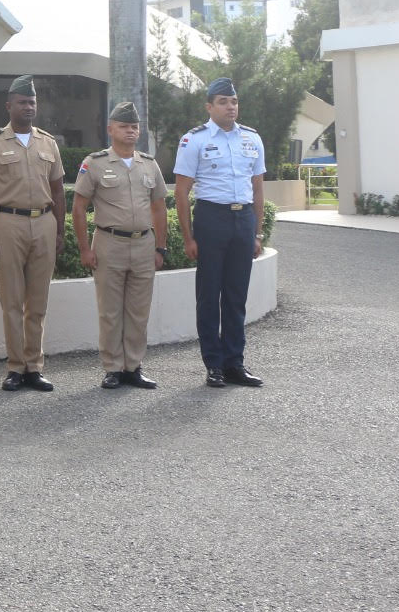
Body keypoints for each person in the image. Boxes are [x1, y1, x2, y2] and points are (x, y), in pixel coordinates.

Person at [0, 73, 66, 393]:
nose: (29, 107)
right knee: (12, 300)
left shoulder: (47, 142)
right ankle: (15, 366)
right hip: (9, 223)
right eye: (23, 102)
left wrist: (60, 231)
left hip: (44, 222)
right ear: (9, 105)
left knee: (37, 302)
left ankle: (34, 366)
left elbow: (59, 190)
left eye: (33, 102)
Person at [173, 77, 267, 389]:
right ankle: (213, 364)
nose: (231, 107)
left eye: (234, 102)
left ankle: (234, 363)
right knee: (209, 295)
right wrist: (188, 238)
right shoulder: (194, 140)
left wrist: (257, 232)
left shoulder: (252, 139)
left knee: (237, 295)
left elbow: (257, 187)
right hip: (211, 219)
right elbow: (182, 192)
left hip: (242, 222)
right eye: (224, 102)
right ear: (209, 107)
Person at [72, 101, 169, 390]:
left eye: (134, 127)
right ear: (110, 129)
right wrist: (84, 249)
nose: (130, 131)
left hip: (143, 245)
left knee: (139, 311)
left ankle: (133, 367)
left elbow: (160, 208)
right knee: (110, 310)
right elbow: (78, 208)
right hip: (108, 243)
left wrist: (160, 248)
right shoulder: (96, 162)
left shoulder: (149, 164)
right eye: (124, 126)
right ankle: (113, 367)